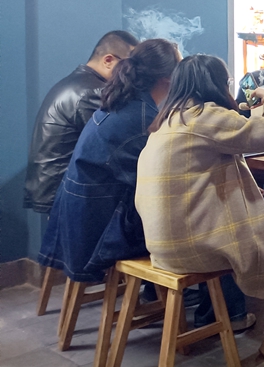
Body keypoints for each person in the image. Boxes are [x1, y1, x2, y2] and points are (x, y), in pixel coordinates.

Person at [137, 54, 264, 357]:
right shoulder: (204, 116)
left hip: (162, 245)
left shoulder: (169, 119)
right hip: (193, 246)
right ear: (217, 84)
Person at [37, 39, 179, 283]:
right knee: (203, 218)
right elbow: (159, 184)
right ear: (168, 78)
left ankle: (157, 291)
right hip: (99, 236)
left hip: (80, 222)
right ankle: (204, 299)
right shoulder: (143, 120)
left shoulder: (120, 102)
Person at [24, 30, 139, 213]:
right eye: (130, 67)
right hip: (66, 196)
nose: (133, 75)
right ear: (108, 60)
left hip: (54, 190)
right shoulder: (92, 93)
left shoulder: (77, 83)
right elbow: (117, 144)